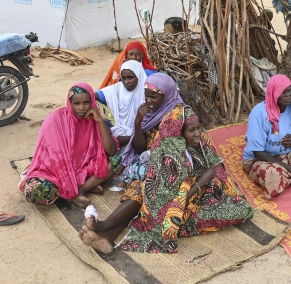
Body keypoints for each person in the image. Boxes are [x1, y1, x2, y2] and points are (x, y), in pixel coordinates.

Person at [83, 106, 253, 254]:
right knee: (142, 193)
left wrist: (206, 179)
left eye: (199, 128)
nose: (198, 134)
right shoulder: (170, 155)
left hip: (199, 198)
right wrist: (201, 180)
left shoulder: (200, 143)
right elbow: (171, 202)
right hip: (175, 204)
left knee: (241, 209)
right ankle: (105, 232)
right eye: (192, 130)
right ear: (179, 133)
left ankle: (105, 233)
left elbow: (216, 171)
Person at [77, 73, 191, 252]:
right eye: (146, 95)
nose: (149, 100)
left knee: (145, 188)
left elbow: (190, 149)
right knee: (140, 189)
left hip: (178, 170)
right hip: (155, 168)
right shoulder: (149, 112)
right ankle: (107, 238)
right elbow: (139, 148)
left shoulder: (180, 114)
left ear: (167, 94)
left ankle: (103, 227)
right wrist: (138, 123)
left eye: (154, 96)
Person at [19, 84, 117, 209]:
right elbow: (57, 159)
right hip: (54, 171)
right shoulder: (55, 119)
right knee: (36, 191)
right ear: (69, 103)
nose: (81, 108)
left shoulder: (94, 118)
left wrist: (100, 121)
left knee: (114, 163)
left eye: (86, 102)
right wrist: (69, 185)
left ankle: (80, 190)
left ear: (92, 101)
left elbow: (111, 150)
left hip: (82, 169)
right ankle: (76, 192)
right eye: (76, 103)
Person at [95, 60, 148, 173]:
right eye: (123, 78)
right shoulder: (116, 89)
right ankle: (129, 141)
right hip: (119, 131)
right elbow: (93, 96)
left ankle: (128, 142)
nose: (127, 82)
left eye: (131, 77)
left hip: (141, 131)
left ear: (138, 75)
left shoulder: (147, 92)